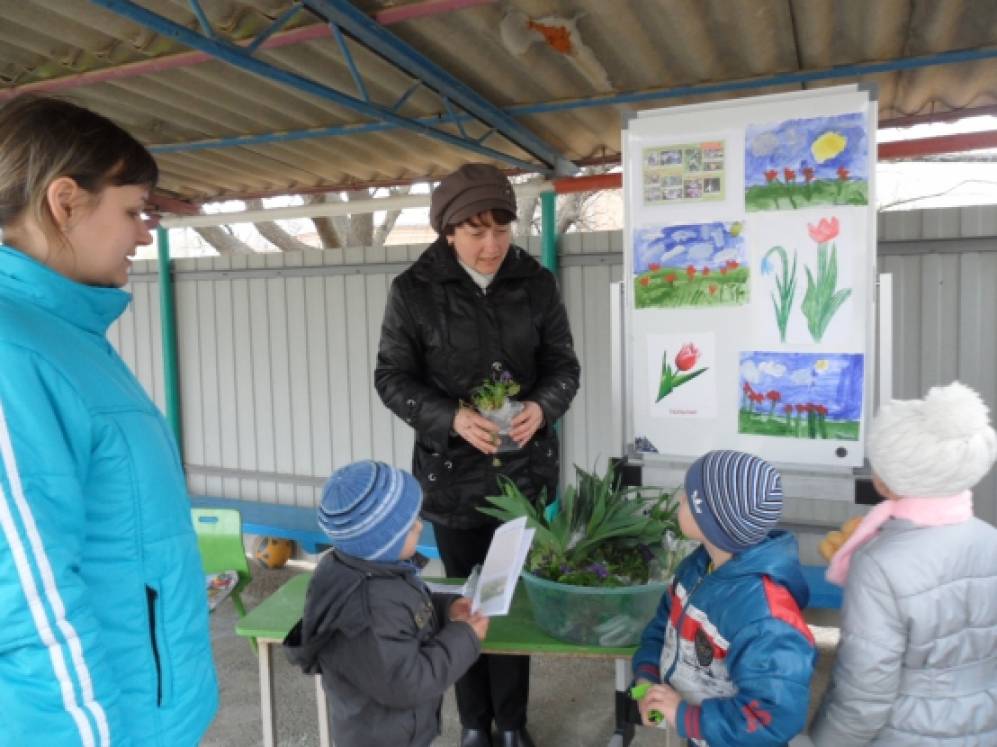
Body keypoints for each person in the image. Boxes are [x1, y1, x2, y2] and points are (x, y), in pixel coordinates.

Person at [0, 96, 217, 744]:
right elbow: (27, 603)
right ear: (64, 202)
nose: (145, 232)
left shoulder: (66, 334)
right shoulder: (12, 348)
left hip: (147, 712)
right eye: (132, 209)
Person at [374, 162, 580, 747]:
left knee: (508, 603)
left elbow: (564, 367)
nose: (491, 245)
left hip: (524, 475)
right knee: (465, 601)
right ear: (448, 232)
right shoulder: (413, 292)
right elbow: (391, 377)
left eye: (501, 229)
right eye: (475, 231)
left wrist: (544, 406)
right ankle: (472, 725)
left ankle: (511, 724)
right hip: (452, 477)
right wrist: (451, 418)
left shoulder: (534, 284)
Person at [811, 382, 997, 746]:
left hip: (905, 732)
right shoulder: (990, 539)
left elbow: (866, 690)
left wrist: (828, 740)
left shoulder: (878, 563)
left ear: (887, 479)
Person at [283, 460, 489, 747]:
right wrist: (465, 637)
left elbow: (407, 610)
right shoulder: (367, 610)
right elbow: (408, 683)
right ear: (382, 541)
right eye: (408, 524)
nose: (419, 525)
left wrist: (446, 608)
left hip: (398, 730)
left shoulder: (375, 570)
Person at [631, 450, 816, 746]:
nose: (679, 499)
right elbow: (663, 626)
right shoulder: (697, 567)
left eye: (688, 499)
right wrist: (647, 676)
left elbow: (771, 718)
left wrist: (684, 716)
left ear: (710, 523)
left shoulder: (767, 620)